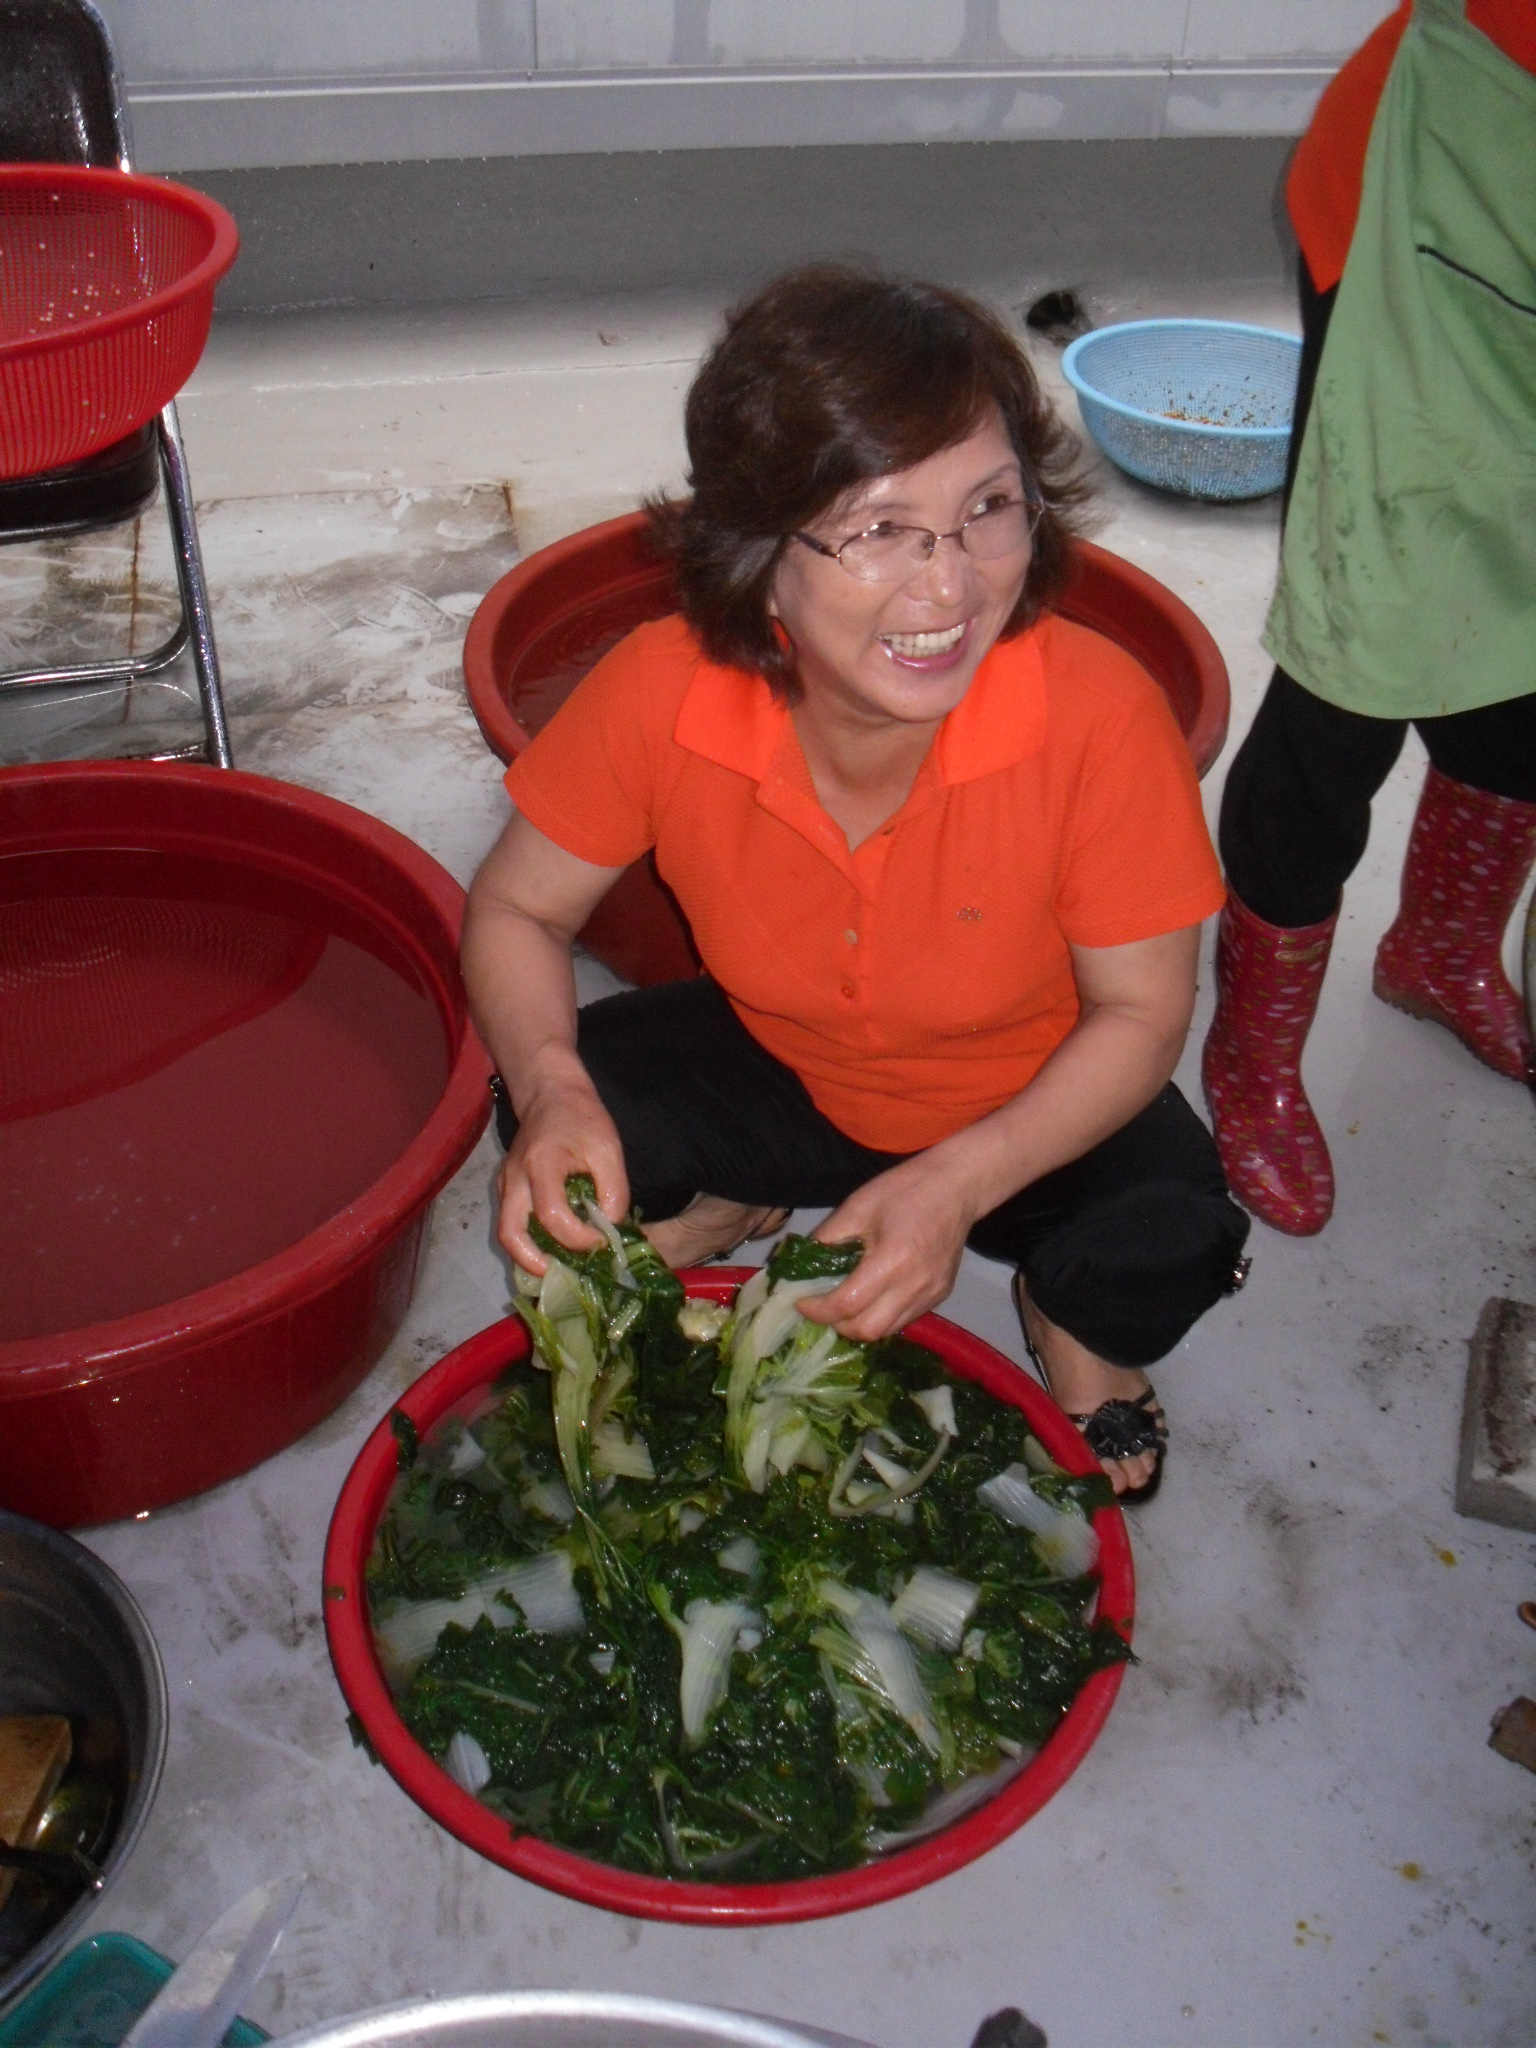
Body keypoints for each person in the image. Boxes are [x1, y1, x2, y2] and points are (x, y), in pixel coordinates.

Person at [462, 267, 1250, 1503]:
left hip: (1022, 1094)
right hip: (787, 1057)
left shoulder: (1099, 717)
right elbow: (518, 906)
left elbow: (1143, 1014)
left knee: (1171, 1241)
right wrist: (556, 1082)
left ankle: (1068, 1321)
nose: (950, 585)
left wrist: (957, 1183)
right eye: (880, 529)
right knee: (555, 1100)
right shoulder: (665, 687)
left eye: (989, 507)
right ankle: (741, 1197)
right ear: (757, 553)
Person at [1204, 0, 1536, 1236]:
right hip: (1446, 216)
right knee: (1358, 667)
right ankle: (1251, 1050)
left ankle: (1439, 952)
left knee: (1523, 661)